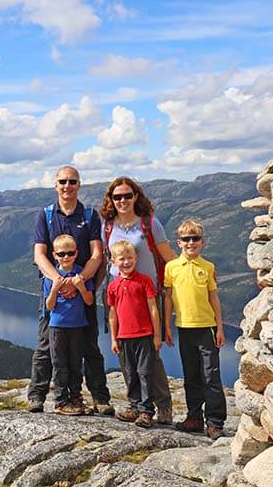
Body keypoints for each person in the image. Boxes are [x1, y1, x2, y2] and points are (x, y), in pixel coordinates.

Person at [27, 165, 113, 415]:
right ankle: (37, 395)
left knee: (90, 346)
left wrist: (79, 280)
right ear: (56, 185)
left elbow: (97, 253)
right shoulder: (45, 215)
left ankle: (100, 397)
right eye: (63, 181)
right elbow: (39, 255)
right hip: (53, 289)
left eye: (72, 181)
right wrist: (58, 281)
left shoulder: (89, 215)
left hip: (82, 287)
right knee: (46, 346)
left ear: (79, 185)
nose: (67, 186)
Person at [99, 176, 177, 424]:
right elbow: (103, 260)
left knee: (151, 356)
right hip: (118, 294)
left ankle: (162, 407)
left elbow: (168, 257)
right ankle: (136, 404)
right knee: (126, 353)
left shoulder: (149, 224)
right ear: (111, 200)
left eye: (127, 195)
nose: (122, 200)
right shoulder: (108, 226)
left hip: (147, 295)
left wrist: (193, 269)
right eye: (117, 197)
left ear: (136, 197)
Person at [164, 219, 226, 439]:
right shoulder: (171, 267)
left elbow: (214, 297)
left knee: (211, 377)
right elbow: (168, 298)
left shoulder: (208, 267)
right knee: (191, 376)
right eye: (186, 239)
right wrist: (166, 326)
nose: (191, 243)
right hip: (184, 328)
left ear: (203, 242)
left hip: (206, 328)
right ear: (178, 242)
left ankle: (215, 422)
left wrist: (220, 327)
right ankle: (194, 418)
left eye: (195, 239)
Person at [107, 240, 161, 428]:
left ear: (136, 258)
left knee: (145, 373)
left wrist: (157, 335)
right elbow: (112, 314)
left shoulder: (144, 281)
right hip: (124, 337)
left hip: (144, 335)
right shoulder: (113, 286)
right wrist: (114, 338)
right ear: (114, 262)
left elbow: (153, 308)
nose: (127, 262)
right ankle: (134, 406)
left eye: (130, 258)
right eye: (122, 259)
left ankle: (146, 411)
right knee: (130, 373)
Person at [44, 234, 95, 415]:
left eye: (70, 253)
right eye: (61, 254)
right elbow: (49, 306)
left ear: (76, 253)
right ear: (55, 255)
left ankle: (76, 398)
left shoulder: (82, 273)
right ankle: (60, 401)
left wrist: (80, 286)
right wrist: (55, 288)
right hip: (57, 328)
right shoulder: (51, 276)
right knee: (60, 365)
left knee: (75, 364)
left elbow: (89, 301)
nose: (66, 257)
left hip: (77, 327)